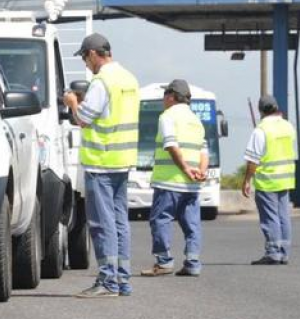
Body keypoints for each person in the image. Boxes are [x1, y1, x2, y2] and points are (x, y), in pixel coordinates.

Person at [62, 33, 140, 298]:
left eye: (85, 57)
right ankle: (123, 279)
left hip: (101, 162)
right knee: (119, 222)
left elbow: (84, 118)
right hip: (123, 160)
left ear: (94, 53)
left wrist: (73, 103)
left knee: (101, 223)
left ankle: (107, 281)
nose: (86, 63)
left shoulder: (101, 81)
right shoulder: (129, 79)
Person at [140, 79, 208, 278]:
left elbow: (171, 145)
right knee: (192, 224)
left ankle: (163, 262)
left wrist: (185, 169)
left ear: (170, 97)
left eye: (164, 96)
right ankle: (193, 263)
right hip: (192, 185)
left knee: (160, 219)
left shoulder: (167, 116)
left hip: (169, 181)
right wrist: (201, 172)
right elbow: (204, 150)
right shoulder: (196, 120)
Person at [241, 95, 296, 265]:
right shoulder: (288, 126)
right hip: (285, 178)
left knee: (270, 217)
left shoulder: (261, 130)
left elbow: (253, 160)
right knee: (283, 216)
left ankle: (273, 252)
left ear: (261, 111)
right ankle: (284, 252)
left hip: (268, 179)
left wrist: (247, 180)